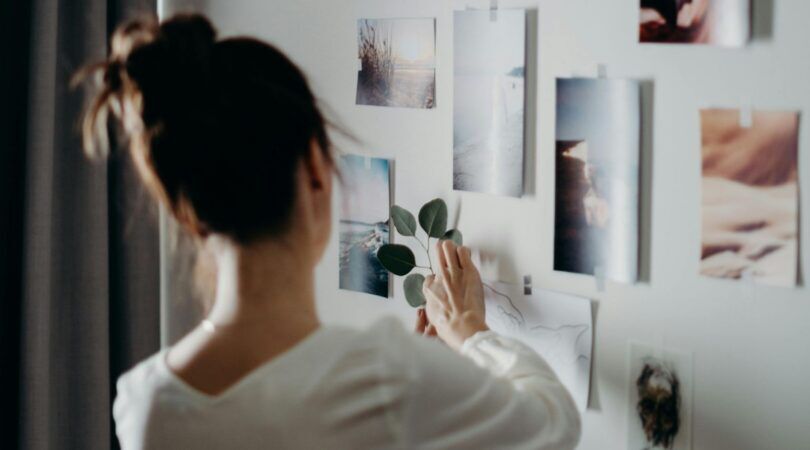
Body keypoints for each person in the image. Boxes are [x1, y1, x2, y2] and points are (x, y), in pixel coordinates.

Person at [79, 13, 581, 449]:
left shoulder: (144, 403)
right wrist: (469, 330)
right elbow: (555, 425)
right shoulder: (385, 378)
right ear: (316, 171)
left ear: (188, 214)